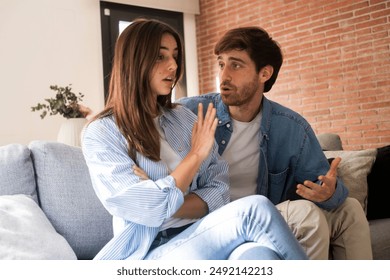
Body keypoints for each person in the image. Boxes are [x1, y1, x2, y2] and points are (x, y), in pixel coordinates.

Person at [81, 18, 308, 260]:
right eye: (161, 57)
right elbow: (146, 209)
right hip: (150, 252)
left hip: (207, 232)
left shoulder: (182, 118)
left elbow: (219, 190)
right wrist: (195, 155)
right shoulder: (102, 132)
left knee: (261, 255)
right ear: (134, 61)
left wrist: (164, 196)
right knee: (257, 209)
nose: (173, 66)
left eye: (175, 56)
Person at [179, 26, 372, 260]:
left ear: (264, 74)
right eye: (221, 64)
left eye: (236, 65)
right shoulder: (191, 112)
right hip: (214, 226)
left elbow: (324, 184)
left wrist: (328, 192)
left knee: (350, 210)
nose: (224, 76)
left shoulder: (291, 127)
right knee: (306, 215)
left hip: (264, 218)